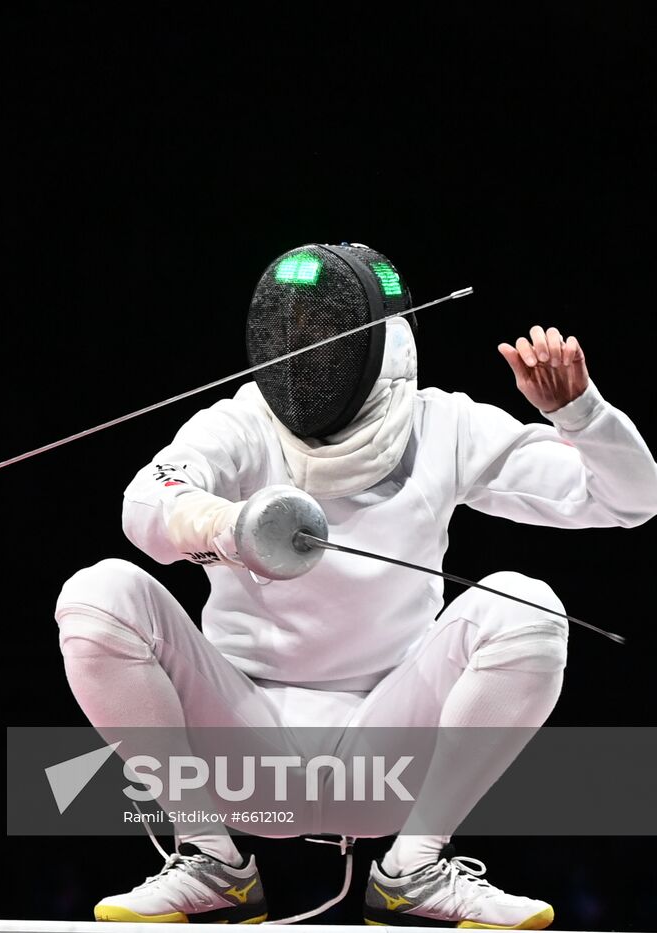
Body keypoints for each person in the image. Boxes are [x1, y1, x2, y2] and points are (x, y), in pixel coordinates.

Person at [54, 243, 657, 928]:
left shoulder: (444, 427)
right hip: (239, 756)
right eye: (293, 333)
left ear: (385, 343)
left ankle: (416, 868)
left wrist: (582, 413)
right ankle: (211, 860)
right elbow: (145, 505)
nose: (304, 350)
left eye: (325, 334)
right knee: (97, 594)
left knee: (530, 607)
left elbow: (631, 499)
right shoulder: (243, 421)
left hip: (386, 754)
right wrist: (228, 522)